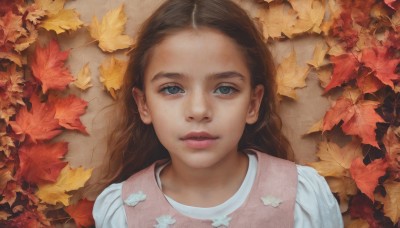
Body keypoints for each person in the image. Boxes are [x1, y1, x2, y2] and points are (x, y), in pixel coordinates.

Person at [92, 0, 343, 227]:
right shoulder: (123, 212)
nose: (199, 110)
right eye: (172, 89)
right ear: (144, 104)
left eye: (224, 89)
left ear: (253, 104)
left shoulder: (301, 197)